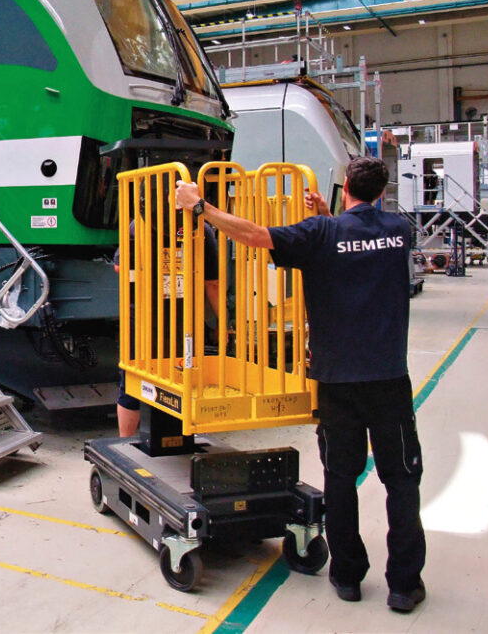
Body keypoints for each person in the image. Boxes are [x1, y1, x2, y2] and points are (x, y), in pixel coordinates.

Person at [175, 157, 426, 614]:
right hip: (389, 380)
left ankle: (348, 578)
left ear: (344, 185)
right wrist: (331, 220)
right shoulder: (399, 231)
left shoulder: (320, 236)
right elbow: (363, 243)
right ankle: (404, 586)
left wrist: (201, 207)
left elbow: (255, 235)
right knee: (403, 481)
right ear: (382, 192)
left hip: (336, 383)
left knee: (340, 479)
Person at [115, 218, 221, 437]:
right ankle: (181, 435)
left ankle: (125, 443)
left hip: (142, 316)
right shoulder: (201, 228)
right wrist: (224, 322)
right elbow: (213, 283)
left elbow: (119, 267)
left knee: (132, 382)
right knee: (183, 377)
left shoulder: (140, 224)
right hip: (185, 318)